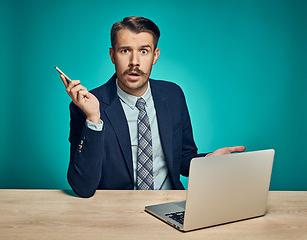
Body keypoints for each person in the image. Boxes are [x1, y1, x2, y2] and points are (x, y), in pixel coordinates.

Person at [60, 16, 245, 198]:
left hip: (169, 205)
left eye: (144, 51)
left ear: (155, 55)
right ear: (112, 55)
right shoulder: (87, 106)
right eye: (125, 51)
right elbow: (83, 187)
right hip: (117, 213)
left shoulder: (173, 95)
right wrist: (93, 120)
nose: (135, 62)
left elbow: (182, 158)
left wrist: (208, 162)